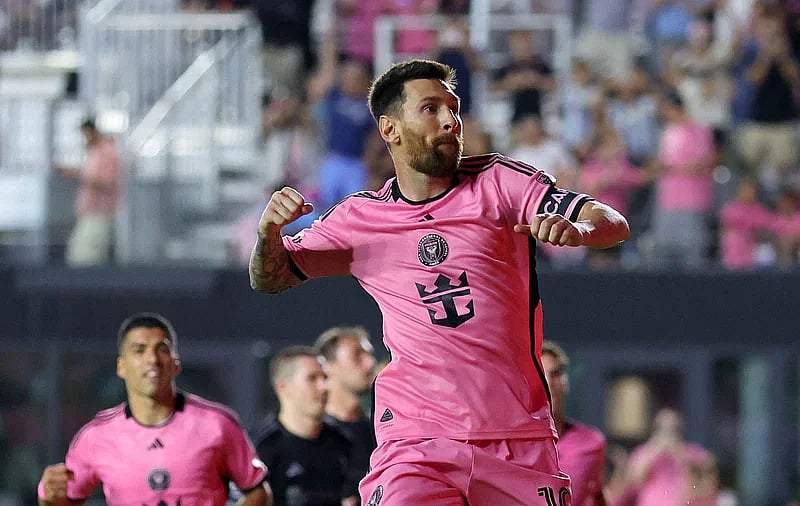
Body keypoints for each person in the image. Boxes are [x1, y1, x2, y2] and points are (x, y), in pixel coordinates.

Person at [249, 59, 630, 504]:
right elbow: (271, 278)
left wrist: (579, 230)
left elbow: (612, 221)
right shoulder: (360, 218)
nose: (451, 120)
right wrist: (268, 236)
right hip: (416, 444)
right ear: (390, 129)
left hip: (517, 438)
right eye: (431, 109)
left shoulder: (501, 181)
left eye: (453, 108)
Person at [36, 312, 272, 506]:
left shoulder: (217, 424)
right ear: (121, 366)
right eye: (139, 350)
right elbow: (63, 500)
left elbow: (258, 492)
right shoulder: (96, 436)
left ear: (175, 364)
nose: (152, 359)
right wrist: (47, 497)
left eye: (162, 349)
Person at [254, 346, 356, 506]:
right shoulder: (261, 449)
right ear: (283, 387)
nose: (324, 387)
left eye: (325, 378)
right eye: (312, 378)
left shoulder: (344, 442)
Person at [314, 326, 377, 501]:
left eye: (369, 354)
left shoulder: (381, 430)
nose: (370, 362)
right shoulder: (314, 433)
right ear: (328, 366)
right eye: (357, 355)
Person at [541, 341, 607, 506]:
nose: (549, 383)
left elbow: (596, 494)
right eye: (541, 375)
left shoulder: (591, 443)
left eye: (555, 374)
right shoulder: (513, 448)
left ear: (566, 382)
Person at [54, 118, 121, 267]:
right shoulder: (95, 153)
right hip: (89, 213)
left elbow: (106, 182)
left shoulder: (107, 153)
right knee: (78, 255)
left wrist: (78, 175)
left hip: (99, 213)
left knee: (88, 257)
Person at [625, 407, 720, 506]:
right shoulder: (643, 452)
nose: (668, 433)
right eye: (663, 428)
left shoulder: (688, 450)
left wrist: (680, 455)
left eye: (673, 428)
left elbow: (710, 466)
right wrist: (655, 450)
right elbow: (634, 480)